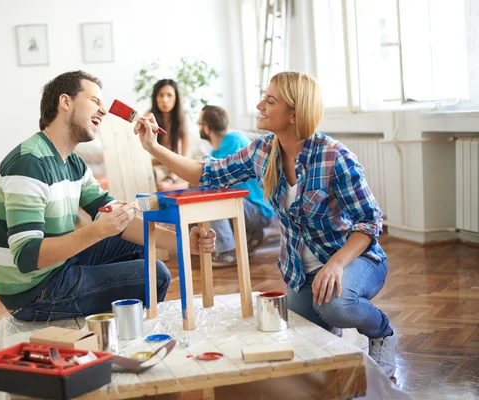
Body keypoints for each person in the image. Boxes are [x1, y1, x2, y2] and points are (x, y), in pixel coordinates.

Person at [134, 71, 397, 378]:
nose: (260, 105)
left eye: (270, 101)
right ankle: (330, 334)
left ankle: (382, 333)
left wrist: (336, 264)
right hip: (302, 272)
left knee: (335, 305)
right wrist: (153, 147)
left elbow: (369, 221)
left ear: (294, 114)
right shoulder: (263, 151)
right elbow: (208, 174)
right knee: (306, 349)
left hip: (355, 260)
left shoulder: (334, 156)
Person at [0, 70, 216, 322]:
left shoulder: (73, 163)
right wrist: (97, 230)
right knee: (157, 274)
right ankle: (127, 338)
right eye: (95, 101)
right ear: (65, 102)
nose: (104, 111)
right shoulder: (29, 163)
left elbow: (117, 217)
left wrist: (183, 241)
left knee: (140, 248)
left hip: (59, 266)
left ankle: (116, 328)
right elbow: (27, 257)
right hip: (32, 291)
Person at [197, 105, 274, 267]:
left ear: (206, 128)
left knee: (212, 200)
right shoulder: (218, 151)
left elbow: (218, 181)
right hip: (249, 206)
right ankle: (252, 236)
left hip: (257, 208)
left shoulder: (233, 141)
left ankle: (227, 252)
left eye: (199, 124)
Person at [149, 79, 191, 188]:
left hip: (177, 168)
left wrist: (170, 178)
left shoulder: (183, 120)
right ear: (155, 98)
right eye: (161, 95)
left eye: (169, 95)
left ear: (176, 98)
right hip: (157, 166)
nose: (165, 100)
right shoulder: (149, 117)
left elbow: (185, 157)